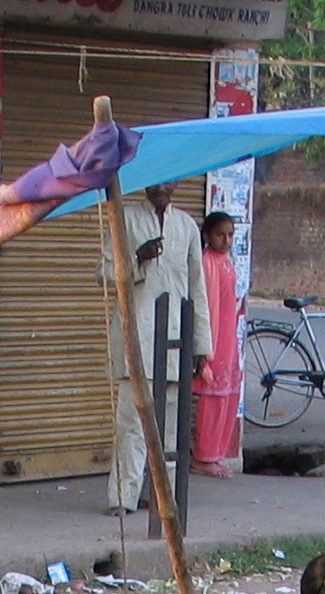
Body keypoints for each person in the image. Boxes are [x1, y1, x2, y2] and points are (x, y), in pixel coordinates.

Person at [100, 181, 210, 516]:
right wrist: (137, 258)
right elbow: (104, 272)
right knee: (131, 424)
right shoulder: (125, 220)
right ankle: (123, 498)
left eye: (168, 182)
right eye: (156, 182)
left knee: (171, 429)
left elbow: (197, 287)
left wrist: (201, 343)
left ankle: (163, 497)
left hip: (176, 336)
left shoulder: (186, 226)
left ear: (175, 185)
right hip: (137, 337)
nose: (162, 188)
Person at [191, 210, 242, 479]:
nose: (226, 240)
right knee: (211, 399)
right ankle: (203, 457)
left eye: (230, 235)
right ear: (208, 236)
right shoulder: (207, 262)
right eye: (220, 234)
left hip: (228, 335)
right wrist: (205, 351)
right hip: (214, 337)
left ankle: (217, 453)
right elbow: (206, 305)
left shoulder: (226, 261)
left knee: (227, 396)